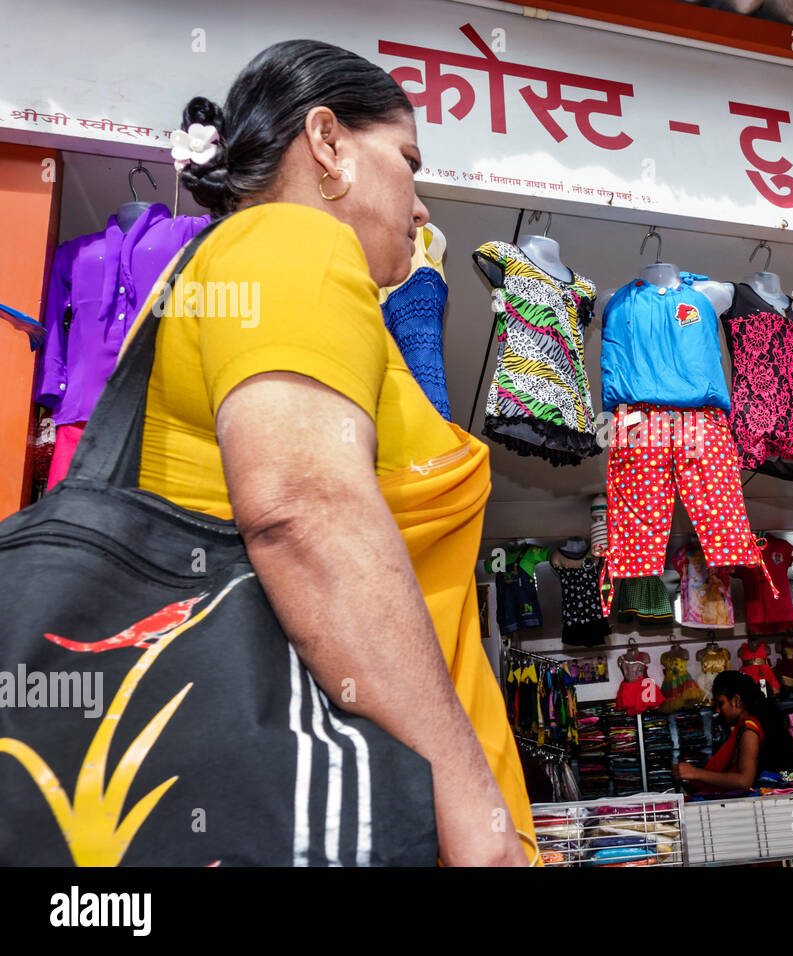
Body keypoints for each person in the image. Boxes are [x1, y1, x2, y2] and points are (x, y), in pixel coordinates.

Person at [136, 40, 530, 865]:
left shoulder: (249, 268)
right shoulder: (292, 244)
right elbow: (303, 515)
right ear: (327, 142)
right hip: (375, 816)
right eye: (409, 161)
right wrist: (470, 814)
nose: (422, 208)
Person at [674, 671, 793, 792]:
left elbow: (744, 781)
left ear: (736, 701)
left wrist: (695, 773)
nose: (718, 710)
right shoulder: (761, 722)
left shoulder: (749, 729)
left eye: (721, 703)